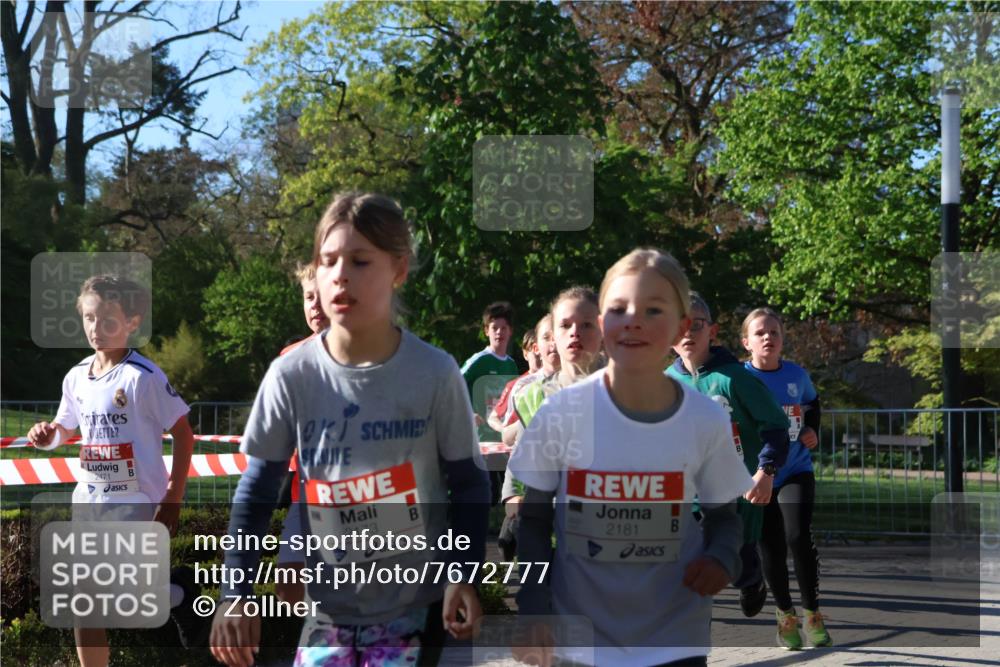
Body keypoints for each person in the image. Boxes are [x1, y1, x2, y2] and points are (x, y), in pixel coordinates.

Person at [209, 193, 490, 667]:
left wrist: (463, 576)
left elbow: (469, 483)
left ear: (398, 269)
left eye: (360, 261)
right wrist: (235, 590)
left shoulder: (434, 372)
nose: (340, 275)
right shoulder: (292, 374)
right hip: (328, 615)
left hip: (415, 614)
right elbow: (258, 487)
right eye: (328, 261)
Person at [509, 249, 752, 667]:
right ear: (604, 324)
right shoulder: (559, 414)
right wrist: (533, 607)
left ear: (680, 326)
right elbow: (532, 521)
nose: (634, 320)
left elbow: (724, 518)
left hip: (676, 635)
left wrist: (720, 559)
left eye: (653, 309)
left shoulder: (704, 417)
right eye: (619, 309)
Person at [27, 275, 198, 666]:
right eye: (89, 319)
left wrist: (173, 497)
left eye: (107, 321)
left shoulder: (143, 377)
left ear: (132, 322)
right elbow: (65, 429)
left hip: (137, 499)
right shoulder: (76, 377)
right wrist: (47, 436)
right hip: (89, 501)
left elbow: (184, 436)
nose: (95, 329)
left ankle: (176, 591)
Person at [666, 292, 789, 618]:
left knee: (738, 562)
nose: (688, 333)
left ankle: (752, 581)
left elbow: (776, 428)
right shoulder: (664, 383)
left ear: (713, 331)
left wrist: (766, 471)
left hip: (738, 494)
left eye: (697, 325)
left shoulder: (735, 379)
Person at [742, 307, 832, 650]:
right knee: (771, 547)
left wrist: (812, 429)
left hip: (795, 468)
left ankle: (813, 614)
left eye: (774, 332)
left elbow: (813, 403)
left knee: (797, 536)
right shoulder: (739, 379)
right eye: (760, 333)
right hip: (759, 476)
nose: (768, 337)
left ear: (782, 339)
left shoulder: (797, 374)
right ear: (746, 342)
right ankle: (785, 616)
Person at [498, 293, 601, 560]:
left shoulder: (624, 390)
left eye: (587, 325)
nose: (575, 333)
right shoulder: (534, 395)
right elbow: (521, 452)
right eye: (565, 325)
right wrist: (511, 496)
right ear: (553, 335)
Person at [275, 262, 332, 605]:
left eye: (321, 297)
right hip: (304, 490)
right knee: (288, 581)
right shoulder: (288, 357)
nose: (314, 305)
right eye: (308, 297)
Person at [461, 301, 519, 504]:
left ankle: (506, 532)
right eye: (494, 328)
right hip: (482, 440)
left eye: (504, 328)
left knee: (509, 493)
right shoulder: (479, 361)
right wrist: (467, 412)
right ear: (486, 331)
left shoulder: (511, 364)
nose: (499, 332)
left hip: (505, 439)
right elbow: (453, 385)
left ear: (510, 331)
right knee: (486, 494)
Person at [487, 327, 542, 434]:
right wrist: (507, 432)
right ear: (525, 354)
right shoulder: (516, 385)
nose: (540, 355)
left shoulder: (560, 380)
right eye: (535, 351)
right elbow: (493, 418)